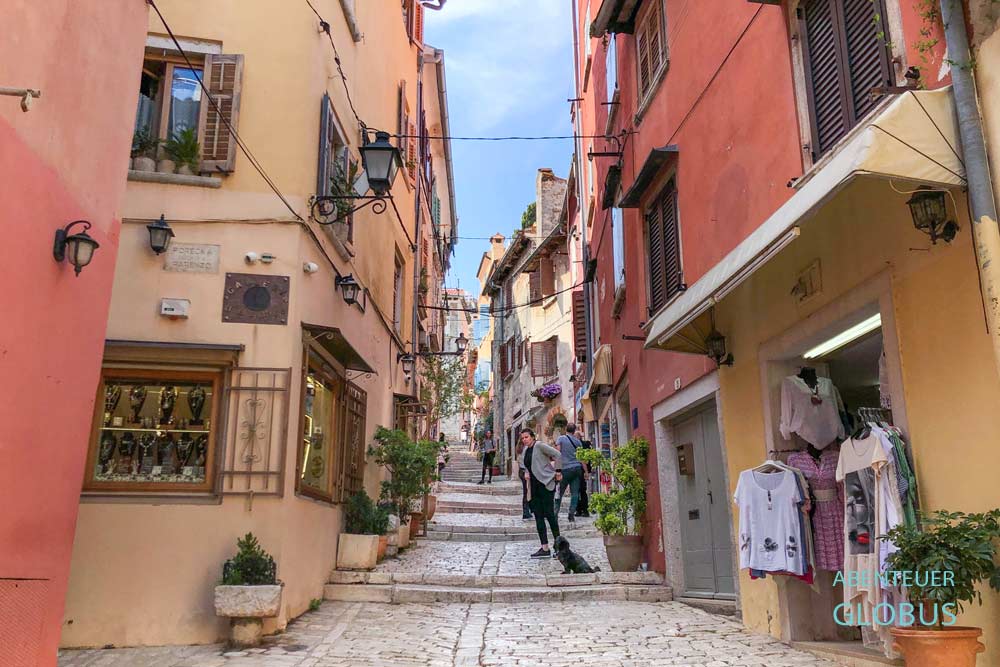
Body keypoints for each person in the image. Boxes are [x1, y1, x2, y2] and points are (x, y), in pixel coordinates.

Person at [519, 428, 563, 558]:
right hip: (533, 486)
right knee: (538, 516)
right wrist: (526, 472)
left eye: (526, 437)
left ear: (532, 436)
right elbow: (526, 464)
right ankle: (544, 548)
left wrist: (558, 471)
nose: (524, 440)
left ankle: (559, 547)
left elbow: (557, 455)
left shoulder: (540, 446)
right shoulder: (526, 450)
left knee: (550, 515)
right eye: (522, 438)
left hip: (546, 484)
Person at [554, 424, 588, 522]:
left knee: (559, 492)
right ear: (574, 431)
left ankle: (555, 514)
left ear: (566, 429)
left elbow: (557, 454)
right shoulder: (578, 442)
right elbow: (582, 458)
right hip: (577, 469)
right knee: (575, 493)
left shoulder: (561, 439)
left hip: (564, 469)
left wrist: (557, 470)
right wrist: (585, 472)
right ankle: (571, 514)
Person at [516, 438, 532, 520]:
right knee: (527, 492)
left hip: (521, 471)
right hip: (526, 472)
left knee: (527, 491)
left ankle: (528, 510)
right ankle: (526, 512)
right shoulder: (526, 448)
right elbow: (527, 461)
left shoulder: (519, 448)